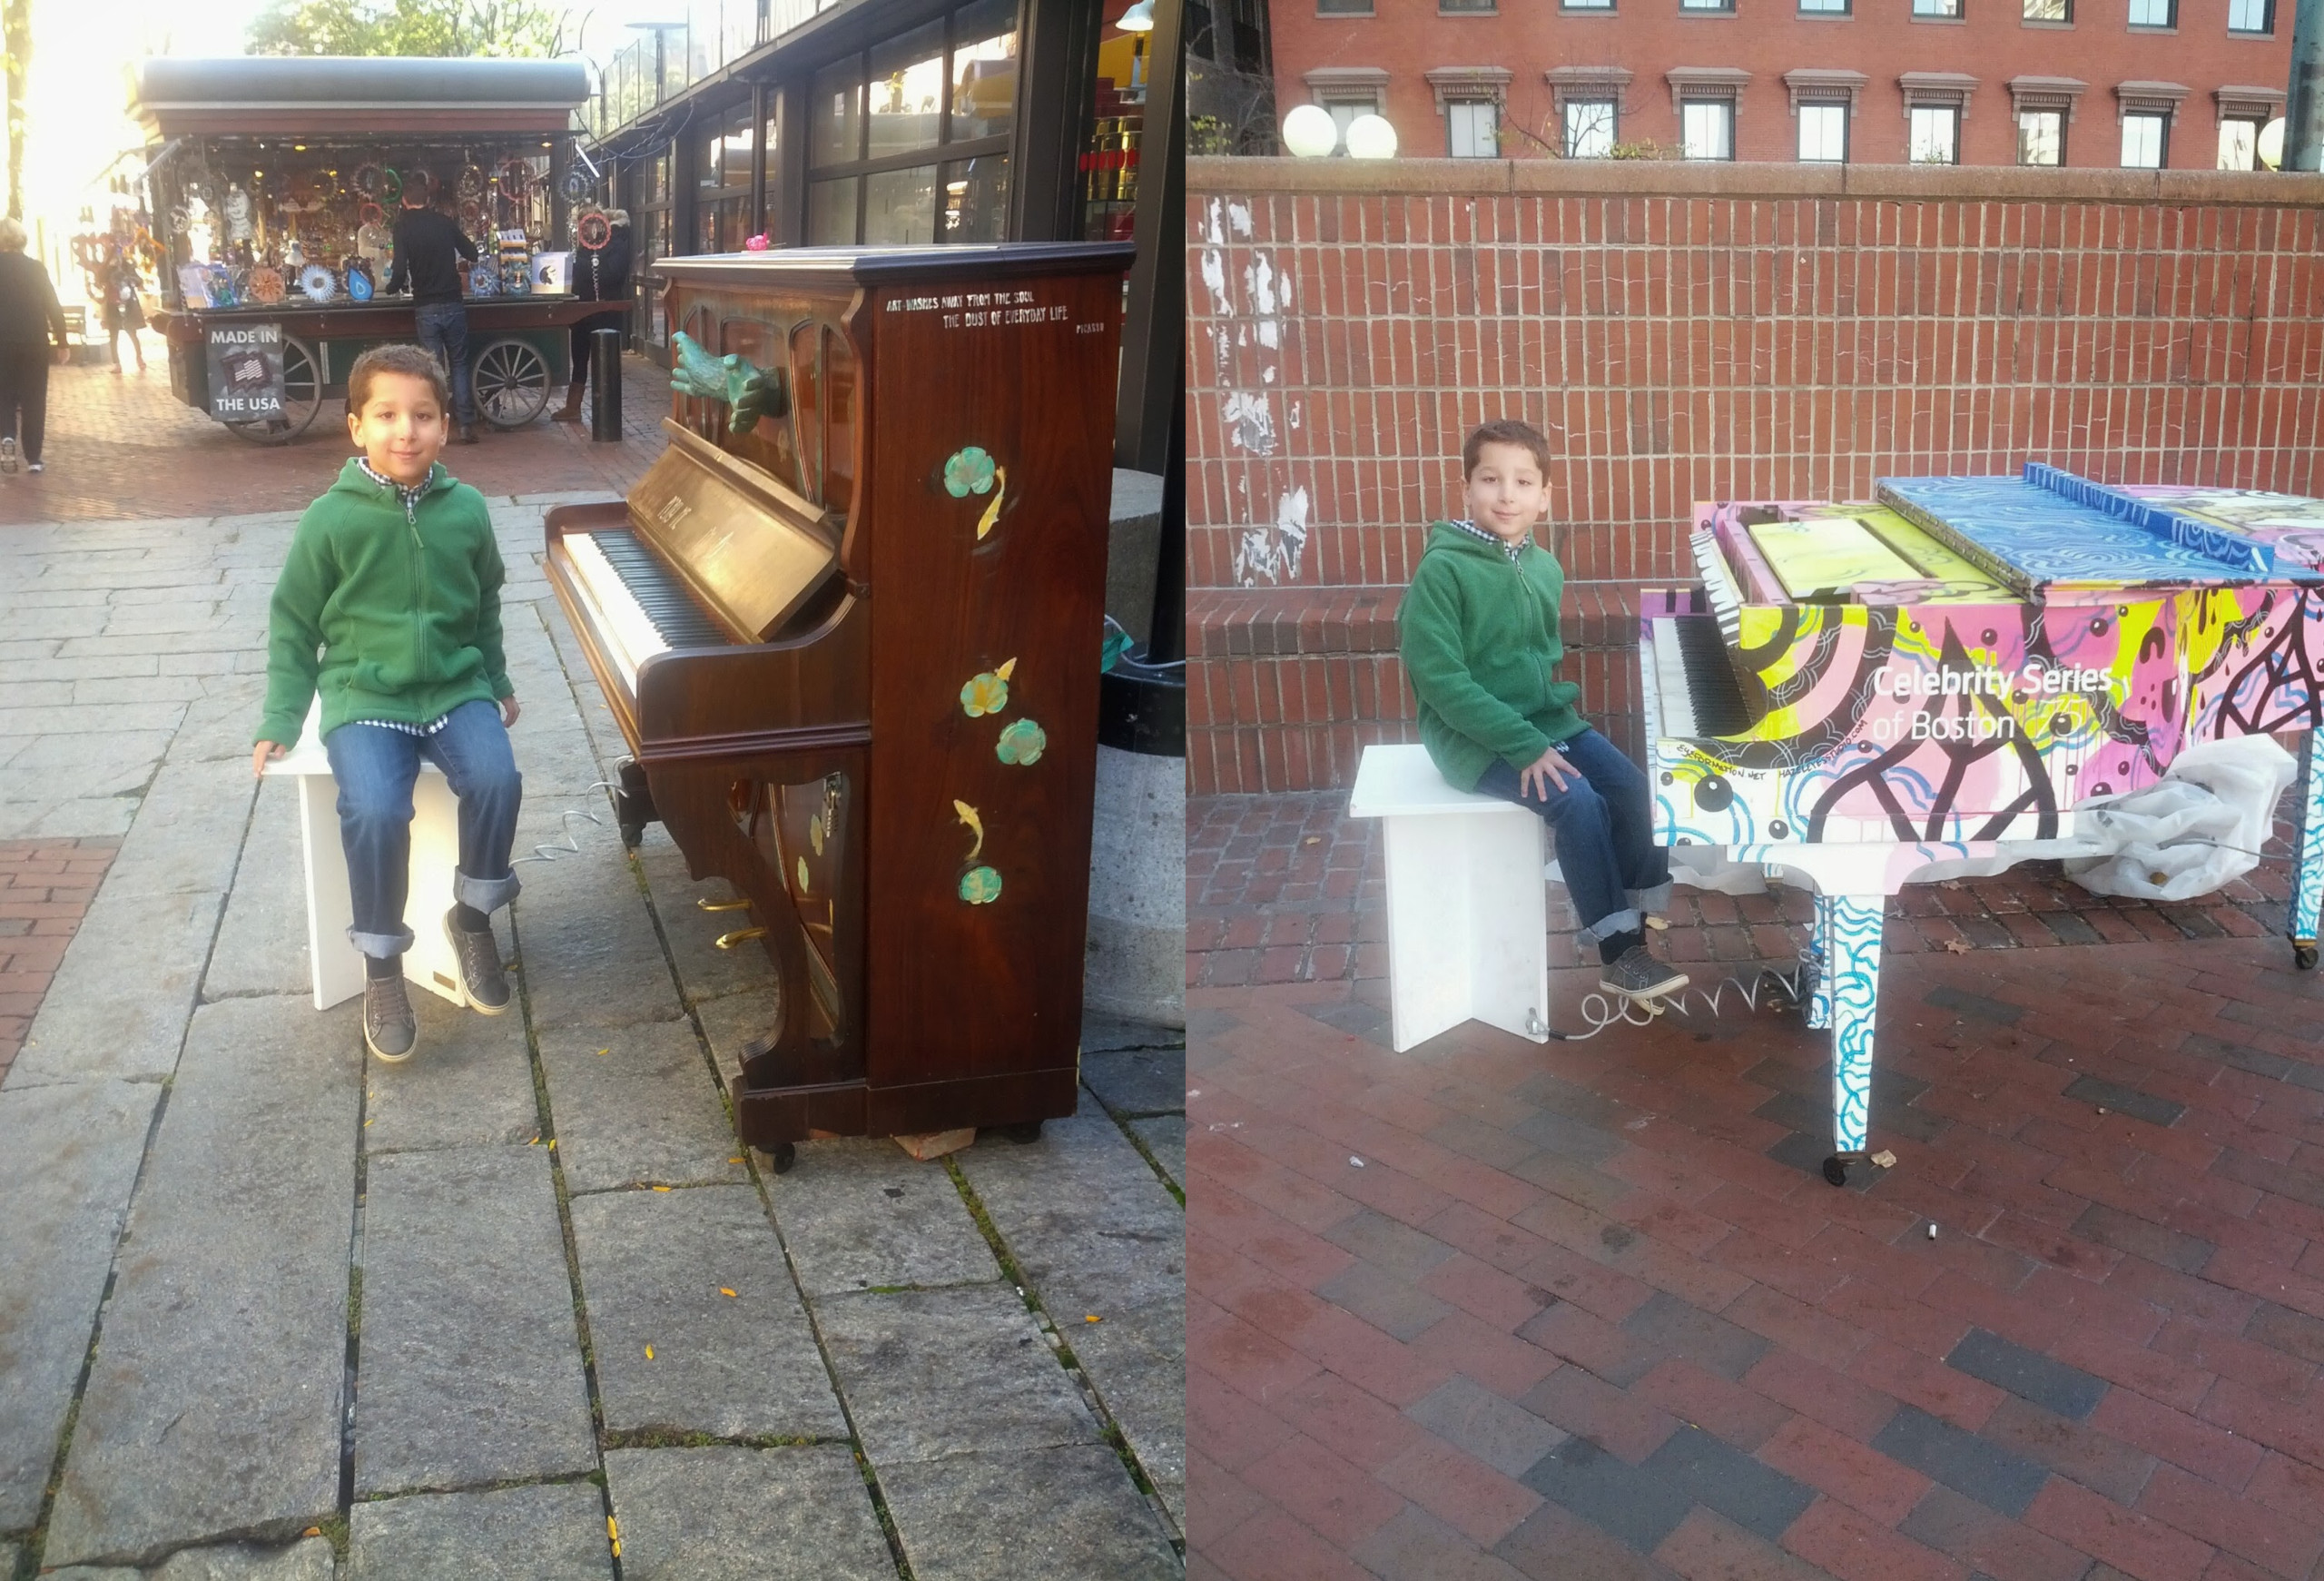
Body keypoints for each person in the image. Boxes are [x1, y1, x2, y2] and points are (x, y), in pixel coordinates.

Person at [251, 343, 524, 1062]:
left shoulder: (466, 509)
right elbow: (293, 622)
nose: (406, 430)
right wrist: (281, 716)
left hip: (454, 687)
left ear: (444, 424)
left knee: (498, 778)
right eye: (387, 415)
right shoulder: (329, 519)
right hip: (364, 694)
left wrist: (495, 679)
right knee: (374, 808)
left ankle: (470, 918)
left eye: (423, 415)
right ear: (356, 427)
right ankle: (381, 968)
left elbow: (485, 602)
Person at [1397, 418, 1689, 1004]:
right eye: (1491, 479)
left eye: (1523, 481)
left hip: (1544, 720)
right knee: (1576, 800)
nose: (1507, 494)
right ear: (1466, 489)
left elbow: (1537, 663)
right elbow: (1441, 681)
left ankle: (1633, 912)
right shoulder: (1442, 571)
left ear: (1544, 495)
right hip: (1474, 739)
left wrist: (1545, 732)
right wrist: (1524, 744)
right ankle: (1618, 955)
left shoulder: (1543, 567)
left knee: (1635, 789)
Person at [387, 181, 480, 444]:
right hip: (453, 302)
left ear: (404, 201)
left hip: (425, 305)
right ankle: (466, 424)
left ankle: (440, 425)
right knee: (460, 364)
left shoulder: (403, 227)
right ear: (428, 200)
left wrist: (392, 288)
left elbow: (399, 268)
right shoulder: (444, 222)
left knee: (434, 369)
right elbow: (471, 252)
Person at [0, 217, 71, 475]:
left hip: (2, 341)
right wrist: (62, 341)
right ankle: (33, 457)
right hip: (34, 340)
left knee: (3, 394)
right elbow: (53, 304)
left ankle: (7, 436)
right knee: (34, 397)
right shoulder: (36, 268)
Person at [553, 208, 631, 423]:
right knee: (579, 360)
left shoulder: (616, 245)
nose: (586, 230)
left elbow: (612, 275)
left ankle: (604, 410)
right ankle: (573, 406)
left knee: (604, 364)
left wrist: (588, 260)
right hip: (582, 313)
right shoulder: (585, 246)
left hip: (606, 314)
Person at [99, 246, 148, 375]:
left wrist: (129, 279)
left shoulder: (127, 266)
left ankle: (139, 357)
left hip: (127, 304)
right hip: (112, 305)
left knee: (132, 332)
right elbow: (100, 278)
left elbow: (138, 280)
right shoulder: (107, 268)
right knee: (113, 335)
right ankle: (117, 363)